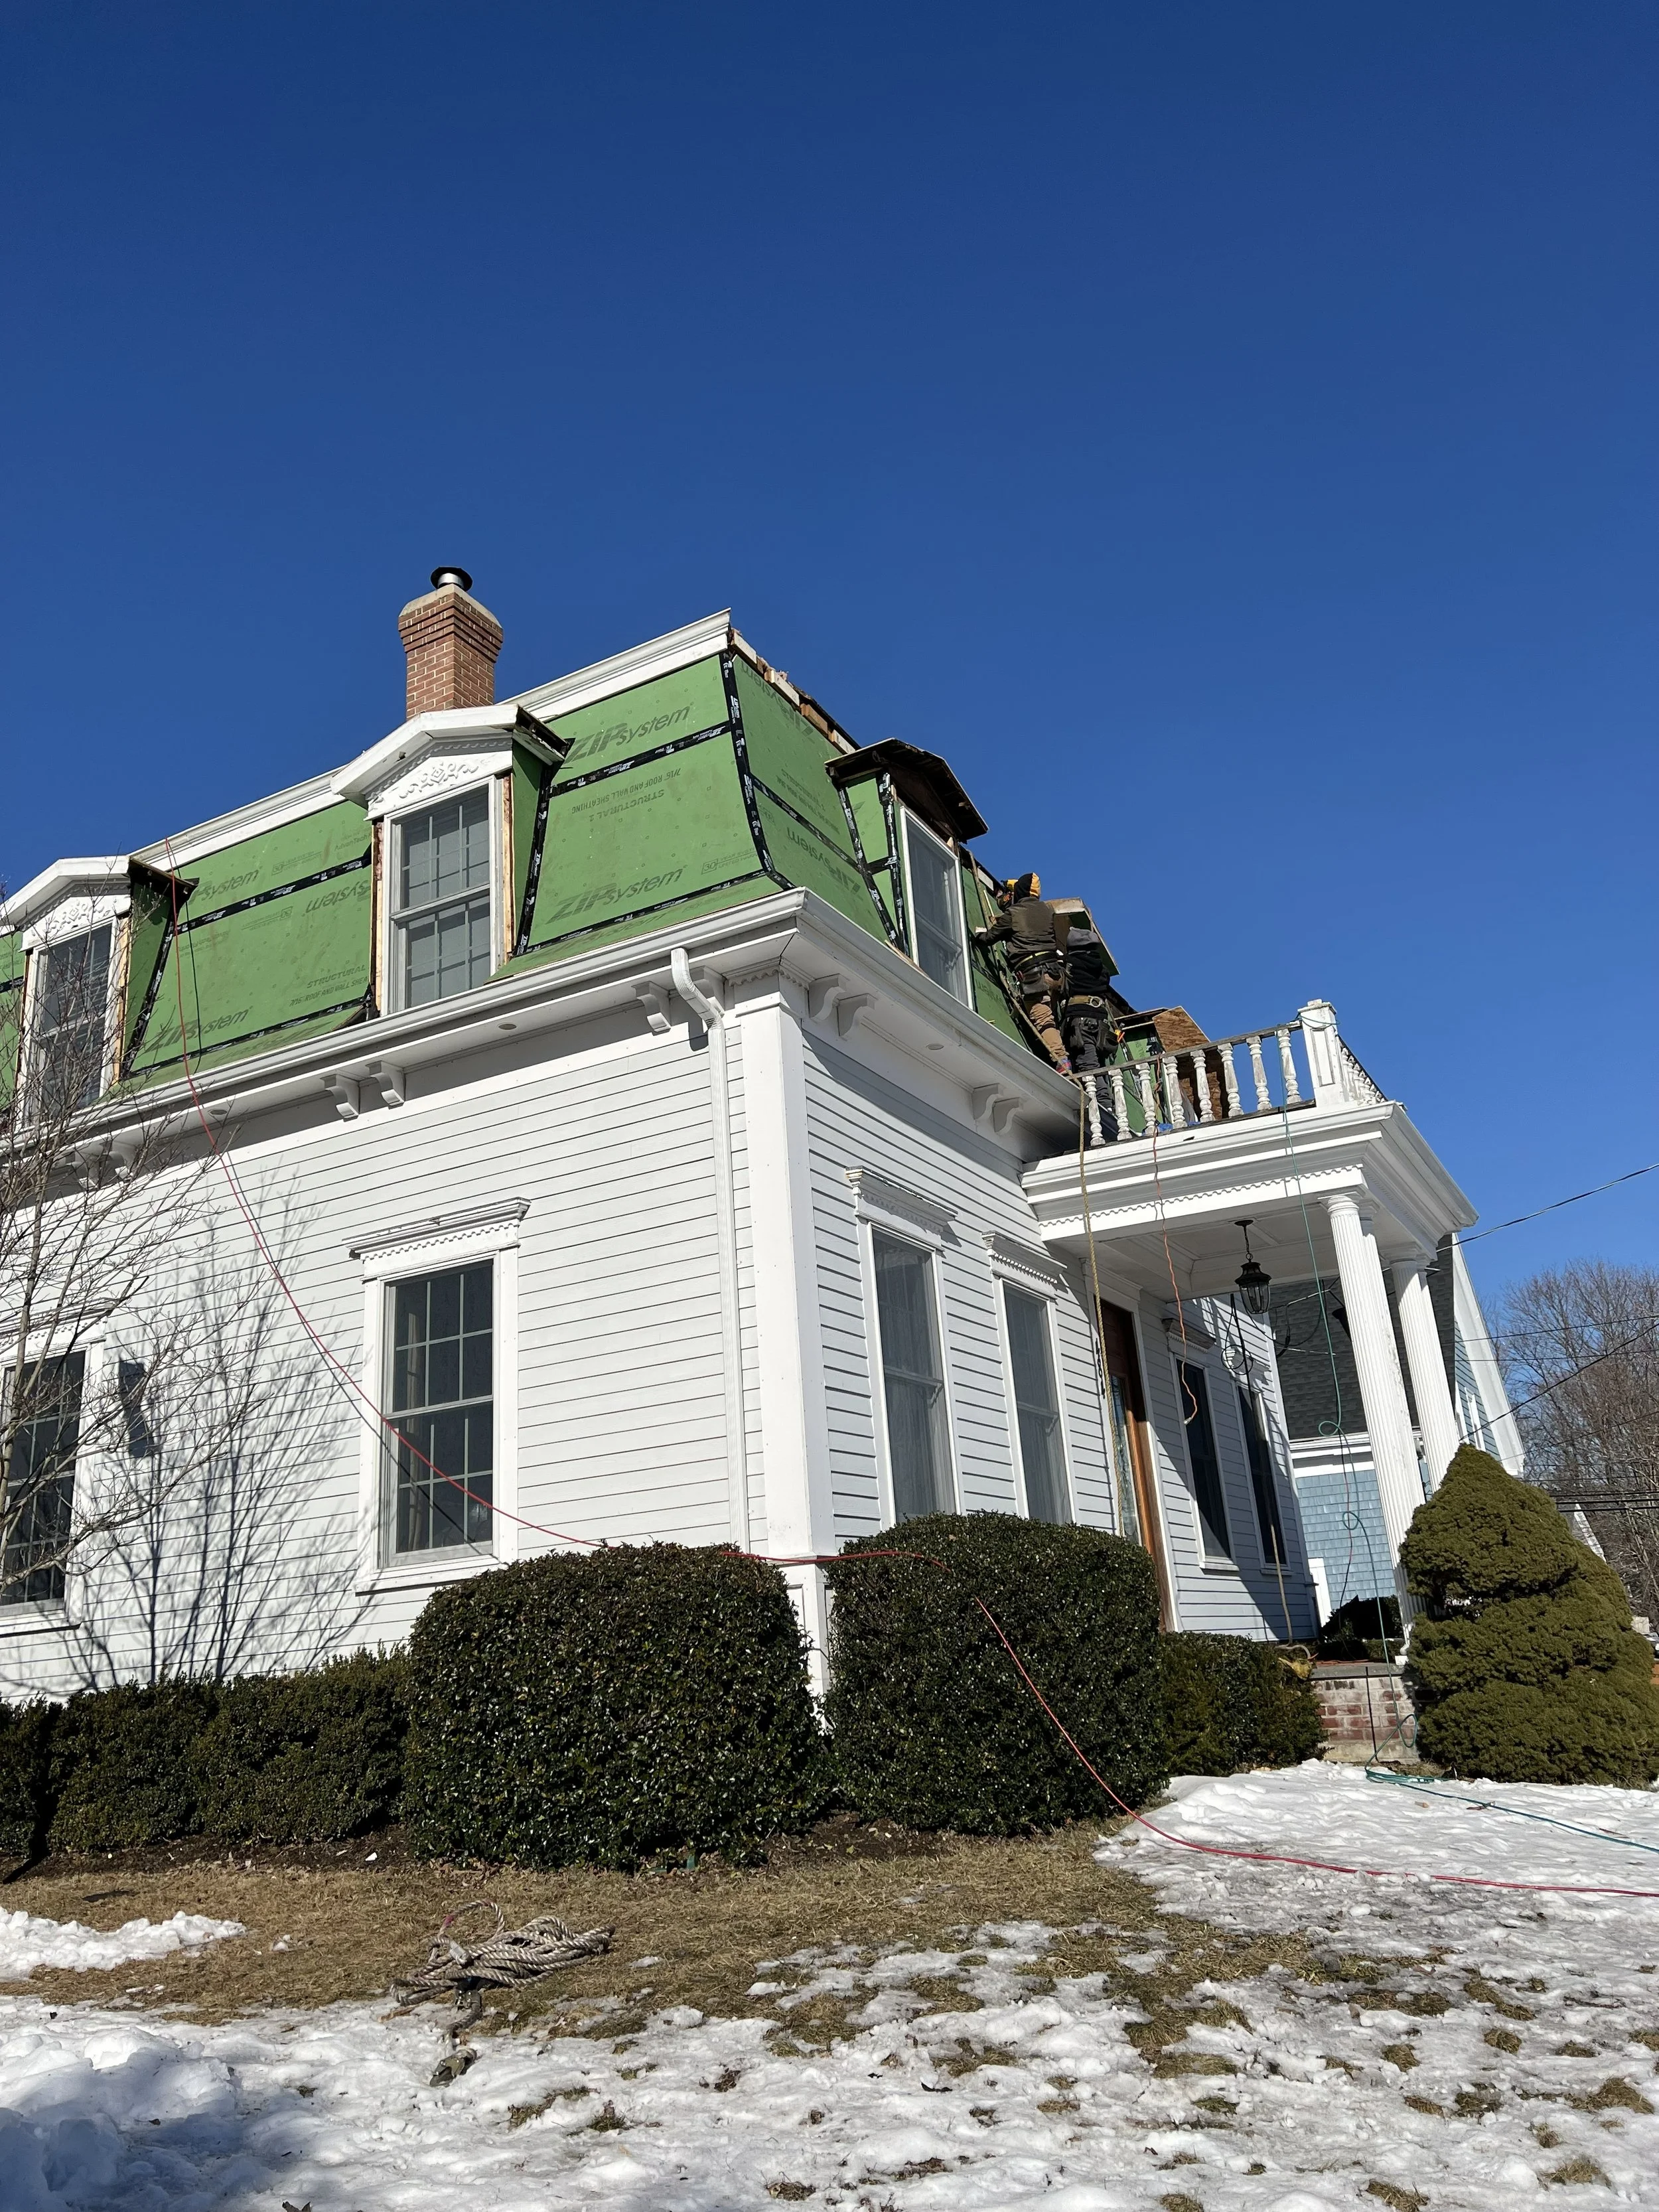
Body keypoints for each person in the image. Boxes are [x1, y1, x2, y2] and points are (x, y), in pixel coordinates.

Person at [972, 873, 1072, 1071]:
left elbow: (990, 937)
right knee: (1051, 1018)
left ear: (1018, 892)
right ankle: (1055, 1057)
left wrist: (977, 935)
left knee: (1043, 1020)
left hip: (1034, 975)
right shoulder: (1046, 910)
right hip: (1054, 973)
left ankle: (1062, 1062)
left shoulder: (1015, 913)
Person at [1056, 901, 1122, 1140]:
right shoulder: (1101, 970)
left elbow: (1061, 986)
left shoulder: (1069, 965)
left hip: (1080, 1021)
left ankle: (1103, 1111)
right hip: (1100, 1022)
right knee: (1101, 1068)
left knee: (1089, 1068)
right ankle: (1110, 1104)